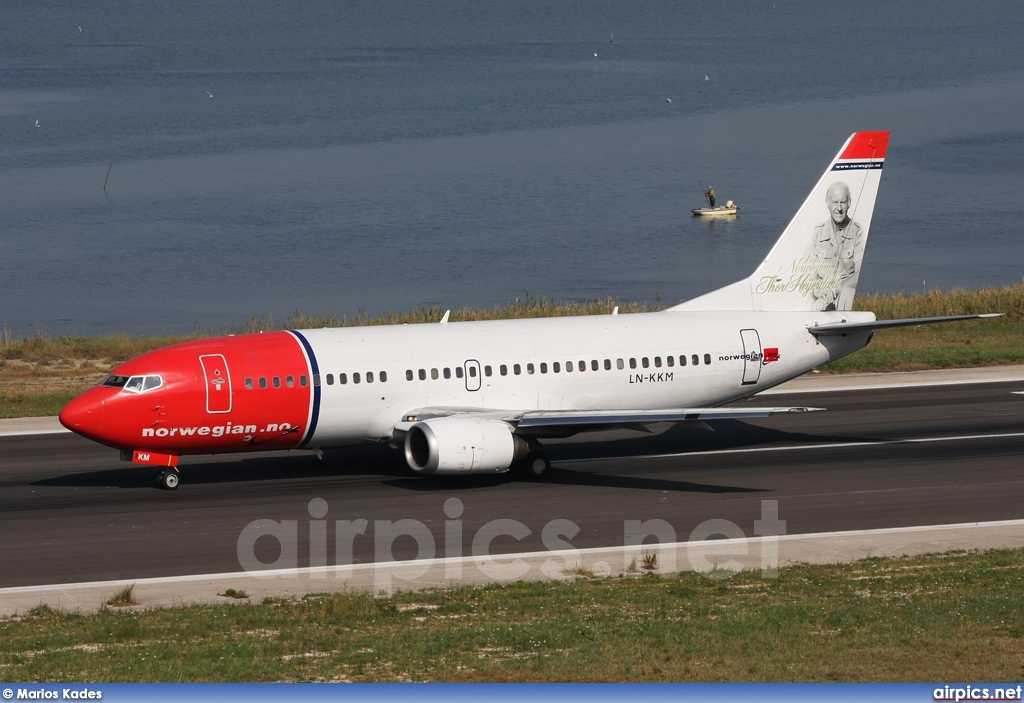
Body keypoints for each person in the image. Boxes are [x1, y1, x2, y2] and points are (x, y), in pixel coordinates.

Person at [809, 181, 864, 310]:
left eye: (843, 202)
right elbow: (808, 276)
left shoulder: (858, 232)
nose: (839, 208)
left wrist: (838, 289)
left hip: (843, 296)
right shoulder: (817, 233)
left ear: (849, 203)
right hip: (821, 298)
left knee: (849, 294)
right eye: (835, 202)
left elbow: (860, 273)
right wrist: (819, 291)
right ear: (827, 203)